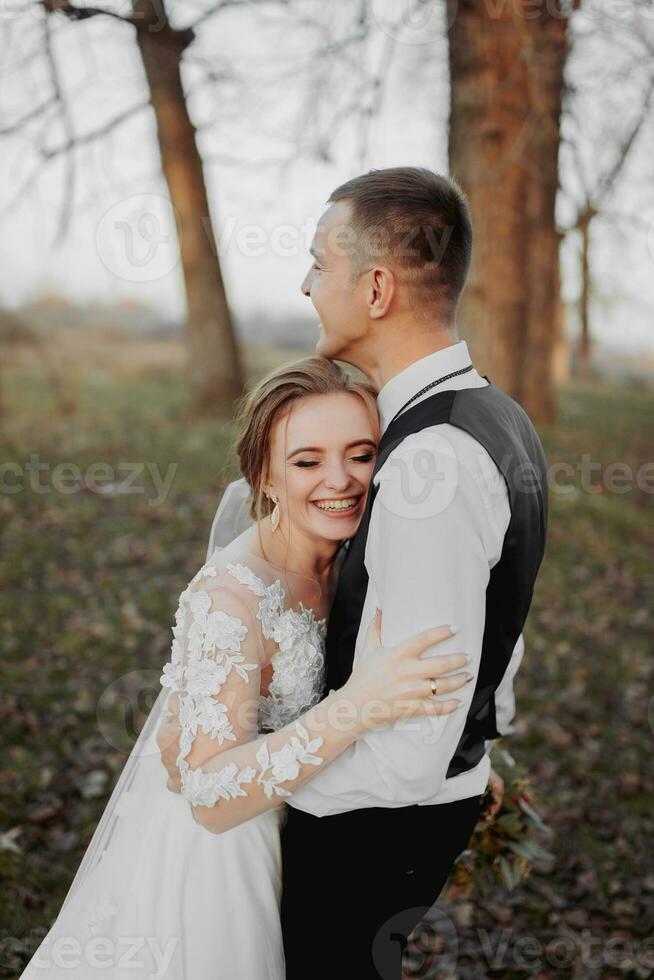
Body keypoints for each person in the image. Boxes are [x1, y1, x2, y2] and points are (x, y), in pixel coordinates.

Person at [19, 357, 472, 980]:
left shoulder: (355, 556)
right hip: (225, 857)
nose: (340, 479)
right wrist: (358, 706)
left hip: (318, 832)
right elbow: (206, 791)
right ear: (263, 475)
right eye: (306, 461)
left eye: (361, 454)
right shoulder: (228, 600)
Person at [272, 166, 549, 978]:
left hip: (375, 823)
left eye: (320, 264)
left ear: (378, 287)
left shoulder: (432, 458)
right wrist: (483, 750)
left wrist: (284, 792)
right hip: (414, 806)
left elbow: (416, 742)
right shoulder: (495, 412)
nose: (306, 285)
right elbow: (501, 629)